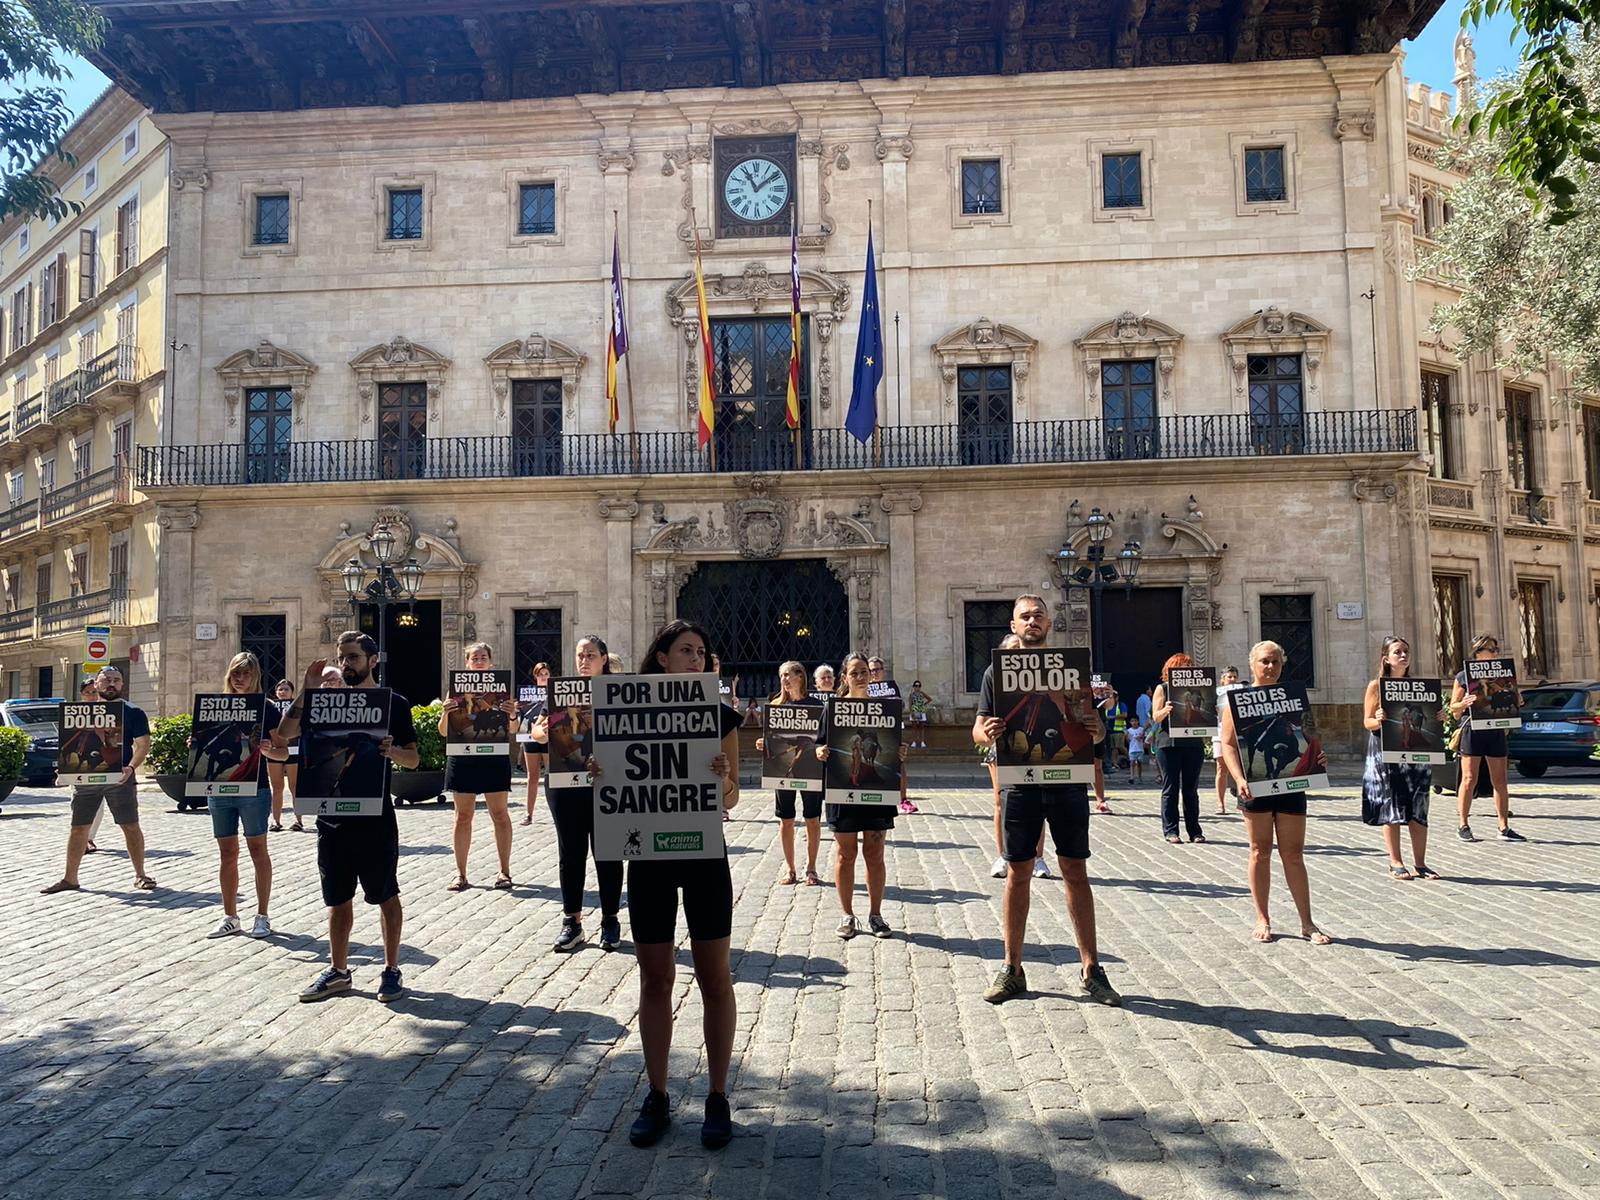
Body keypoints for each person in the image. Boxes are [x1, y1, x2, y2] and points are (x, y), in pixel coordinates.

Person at [624, 620, 743, 1151]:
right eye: (686, 651)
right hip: (647, 855)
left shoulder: (721, 716)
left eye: (702, 651)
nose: (696, 659)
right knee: (655, 977)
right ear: (662, 659)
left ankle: (717, 1096)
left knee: (715, 977)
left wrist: (722, 779)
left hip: (703, 853)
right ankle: (657, 1093)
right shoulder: (626, 712)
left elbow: (734, 796)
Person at [975, 595, 1119, 1007]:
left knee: (1075, 870)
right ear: (1014, 624)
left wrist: (1096, 727)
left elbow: (1095, 734)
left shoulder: (1071, 670)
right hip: (1019, 782)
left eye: (1038, 615)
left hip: (1066, 782)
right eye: (1025, 616)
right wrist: (989, 734)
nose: (1032, 621)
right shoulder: (995, 673)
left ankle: (1092, 969)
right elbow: (977, 731)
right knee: (1018, 872)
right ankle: (1012, 968)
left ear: (1049, 622)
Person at [277, 631, 419, 1003]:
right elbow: (284, 735)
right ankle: (339, 971)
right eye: (342, 657)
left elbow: (414, 758)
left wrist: (393, 753)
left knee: (386, 894)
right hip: (331, 816)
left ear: (373, 661)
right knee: (337, 898)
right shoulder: (321, 703)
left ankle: (391, 970)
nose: (346, 664)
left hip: (375, 815)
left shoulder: (395, 704)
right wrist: (306, 691)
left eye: (353, 657)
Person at [1217, 640, 1332, 945]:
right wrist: (1238, 777)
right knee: (1260, 851)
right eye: (1264, 661)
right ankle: (1262, 918)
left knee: (1293, 854)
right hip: (1253, 785)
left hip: (1290, 786)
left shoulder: (1293, 699)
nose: (1270, 667)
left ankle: (1307, 923)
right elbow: (1228, 744)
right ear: (1253, 664)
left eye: (1276, 662)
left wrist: (1318, 757)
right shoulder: (1237, 701)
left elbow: (1309, 738)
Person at [528, 634, 624, 951]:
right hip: (566, 781)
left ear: (604, 659)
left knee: (608, 852)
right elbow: (538, 731)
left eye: (591, 655)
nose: (584, 660)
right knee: (570, 853)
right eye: (580, 655)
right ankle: (572, 921)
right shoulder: (560, 693)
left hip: (607, 782)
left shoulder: (617, 691)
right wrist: (545, 730)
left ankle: (610, 919)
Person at [41, 666, 155, 896]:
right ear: (96, 684)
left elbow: (143, 745)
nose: (111, 684)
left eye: (116, 680)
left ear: (122, 685)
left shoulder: (133, 712)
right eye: (107, 680)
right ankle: (70, 878)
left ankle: (140, 875)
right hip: (86, 779)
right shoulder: (79, 713)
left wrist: (131, 768)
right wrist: (66, 772)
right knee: (78, 828)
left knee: (131, 826)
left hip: (120, 779)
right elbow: (69, 747)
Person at [823, 652, 909, 938]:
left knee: (875, 852)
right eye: (854, 672)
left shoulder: (884, 709)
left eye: (864, 672)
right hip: (842, 787)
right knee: (846, 854)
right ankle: (847, 915)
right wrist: (820, 752)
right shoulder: (833, 709)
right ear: (844, 677)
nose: (860, 677)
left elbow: (892, 745)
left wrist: (900, 752)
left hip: (876, 790)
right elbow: (819, 746)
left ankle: (876, 914)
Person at [204, 652, 283, 938]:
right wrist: (195, 743)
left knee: (258, 850)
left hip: (255, 788)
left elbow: (283, 749)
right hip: (220, 787)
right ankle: (230, 916)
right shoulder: (216, 705)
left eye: (246, 674)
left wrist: (268, 749)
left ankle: (262, 915)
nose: (240, 679)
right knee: (227, 854)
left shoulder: (267, 707)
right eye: (236, 673)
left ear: (255, 676)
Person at [440, 642, 519, 891]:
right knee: (462, 816)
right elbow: (444, 732)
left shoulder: (501, 692)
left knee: (500, 814)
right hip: (462, 757)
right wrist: (445, 713)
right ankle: (460, 874)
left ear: (491, 662)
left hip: (493, 757)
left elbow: (513, 731)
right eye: (474, 658)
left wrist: (512, 715)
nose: (479, 661)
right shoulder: (454, 692)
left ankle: (504, 872)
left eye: (483, 657)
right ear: (467, 662)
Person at [1361, 637, 1438, 880]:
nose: (1403, 656)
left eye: (1406, 651)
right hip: (1387, 751)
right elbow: (1367, 722)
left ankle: (1421, 863)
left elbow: (1429, 720)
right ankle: (1395, 861)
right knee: (1392, 804)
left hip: (1417, 755)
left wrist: (1440, 717)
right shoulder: (1376, 686)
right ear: (1386, 658)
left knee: (1419, 805)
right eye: (1397, 652)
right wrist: (1379, 718)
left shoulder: (1420, 687)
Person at [1451, 633, 1524, 843]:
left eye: (1496, 650)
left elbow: (1515, 703)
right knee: (1469, 779)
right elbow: (1453, 710)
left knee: (1500, 780)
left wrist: (1516, 697)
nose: (1495, 653)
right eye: (1490, 650)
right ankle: (1463, 824)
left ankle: (1503, 827)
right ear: (1478, 652)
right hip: (1473, 729)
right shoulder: (1463, 676)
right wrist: (1464, 703)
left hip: (1495, 729)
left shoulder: (1504, 673)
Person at [756, 660, 822, 886]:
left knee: (812, 819)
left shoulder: (815, 705)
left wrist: (821, 749)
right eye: (782, 675)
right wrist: (762, 743)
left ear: (800, 677)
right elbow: (772, 740)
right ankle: (790, 868)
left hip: (809, 767)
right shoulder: (775, 705)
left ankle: (812, 868)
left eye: (789, 675)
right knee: (786, 820)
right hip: (783, 769)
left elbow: (822, 738)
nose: (784, 679)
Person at [1152, 653, 1207, 845]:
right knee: (1171, 788)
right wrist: (1165, 710)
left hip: (1193, 743)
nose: (1186, 670)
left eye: (1189, 666)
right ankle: (1171, 830)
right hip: (1169, 744)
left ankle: (1195, 831)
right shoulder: (1163, 688)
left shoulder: (1198, 689)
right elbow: (1155, 717)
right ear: (1171, 669)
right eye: (1182, 666)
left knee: (1191, 789)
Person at [868, 656, 917, 814]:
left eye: (877, 669)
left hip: (891, 730)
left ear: (883, 671)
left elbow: (900, 706)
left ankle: (903, 799)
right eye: (871, 670)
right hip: (871, 732)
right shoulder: (864, 688)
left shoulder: (891, 687)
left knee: (898, 762)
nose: (874, 673)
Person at [267, 679, 301, 832]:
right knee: (277, 786)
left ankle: (298, 820)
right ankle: (276, 820)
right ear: (276, 692)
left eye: (286, 689)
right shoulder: (271, 706)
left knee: (294, 786)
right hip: (274, 749)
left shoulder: (297, 706)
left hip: (293, 749)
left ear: (292, 691)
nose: (283, 692)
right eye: (280, 689)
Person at [520, 661, 551, 826]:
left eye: (546, 674)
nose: (543, 677)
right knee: (532, 776)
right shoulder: (528, 693)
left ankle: (554, 810)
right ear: (535, 676)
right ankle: (529, 814)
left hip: (547, 736)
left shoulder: (554, 692)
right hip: (529, 736)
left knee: (549, 774)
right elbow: (522, 716)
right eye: (540, 674)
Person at [78, 678, 106, 853]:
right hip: (80, 760)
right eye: (87, 692)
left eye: (93, 692)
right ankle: (80, 836)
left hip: (101, 757)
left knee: (99, 803)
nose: (91, 696)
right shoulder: (74, 712)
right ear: (81, 695)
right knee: (80, 802)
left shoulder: (107, 711)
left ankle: (89, 838)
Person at [1214, 666, 1242, 814]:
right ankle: (1220, 803)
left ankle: (1242, 799)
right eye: (1229, 677)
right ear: (1223, 679)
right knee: (1221, 768)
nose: (1232, 679)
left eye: (1234, 677)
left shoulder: (1241, 690)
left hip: (1238, 732)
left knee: (1241, 767)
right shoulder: (1216, 693)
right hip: (1220, 731)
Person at [907, 680, 931, 749]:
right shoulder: (911, 695)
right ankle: (914, 741)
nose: (917, 687)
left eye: (919, 686)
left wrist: (924, 704)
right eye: (916, 686)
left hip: (921, 711)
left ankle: (922, 741)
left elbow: (929, 699)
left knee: (922, 727)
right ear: (914, 687)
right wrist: (911, 712)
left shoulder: (922, 694)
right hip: (914, 711)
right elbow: (910, 704)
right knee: (914, 727)